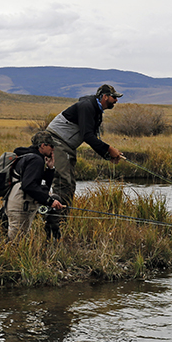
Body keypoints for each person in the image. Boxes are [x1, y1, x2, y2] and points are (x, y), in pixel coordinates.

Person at [43, 84, 125, 236]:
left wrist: (108, 155)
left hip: (67, 145)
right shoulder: (87, 106)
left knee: (69, 184)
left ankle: (62, 221)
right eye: (114, 97)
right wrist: (109, 149)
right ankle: (57, 224)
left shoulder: (96, 110)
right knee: (63, 182)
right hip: (57, 142)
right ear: (105, 96)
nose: (116, 101)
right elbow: (88, 136)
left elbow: (92, 138)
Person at [5, 131, 66, 240]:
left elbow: (43, 187)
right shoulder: (36, 160)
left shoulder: (29, 157)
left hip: (18, 203)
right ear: (43, 145)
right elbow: (28, 185)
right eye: (51, 146)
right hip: (20, 206)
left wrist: (50, 169)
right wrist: (50, 201)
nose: (53, 149)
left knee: (18, 242)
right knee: (15, 243)